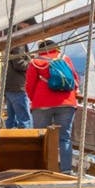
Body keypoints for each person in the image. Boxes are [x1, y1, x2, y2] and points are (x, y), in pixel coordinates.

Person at [26, 38, 80, 172]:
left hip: (42, 104)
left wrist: (34, 100)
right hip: (66, 103)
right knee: (65, 138)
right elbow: (75, 80)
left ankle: (41, 168)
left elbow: (29, 85)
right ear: (56, 48)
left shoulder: (36, 62)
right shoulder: (65, 58)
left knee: (40, 137)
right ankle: (66, 170)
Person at [3, 18, 35, 129]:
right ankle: (28, 145)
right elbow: (19, 63)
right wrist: (32, 63)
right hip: (18, 87)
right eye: (29, 26)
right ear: (23, 24)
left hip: (9, 86)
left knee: (11, 121)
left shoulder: (10, 39)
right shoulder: (18, 41)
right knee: (25, 121)